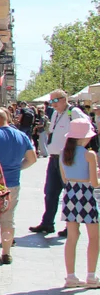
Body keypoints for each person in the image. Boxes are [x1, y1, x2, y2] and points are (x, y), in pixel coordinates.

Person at [0, 108, 37, 265]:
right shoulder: (22, 136)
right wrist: (17, 167)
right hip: (13, 182)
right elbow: (32, 159)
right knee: (8, 218)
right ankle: (7, 252)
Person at [31, 90, 89, 237]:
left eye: (55, 101)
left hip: (68, 158)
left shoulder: (73, 112)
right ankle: (47, 223)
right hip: (55, 158)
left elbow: (87, 129)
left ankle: (72, 226)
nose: (53, 104)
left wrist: (75, 150)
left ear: (64, 99)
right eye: (51, 102)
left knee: (70, 193)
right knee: (50, 192)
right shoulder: (56, 113)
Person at [59, 119, 100, 288]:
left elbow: (64, 178)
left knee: (72, 237)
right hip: (86, 194)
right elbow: (95, 183)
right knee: (94, 237)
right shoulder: (89, 154)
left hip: (70, 193)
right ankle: (91, 276)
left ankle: (71, 276)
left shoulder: (63, 153)